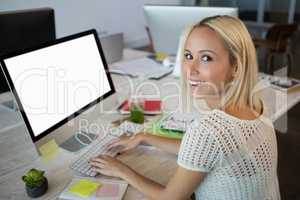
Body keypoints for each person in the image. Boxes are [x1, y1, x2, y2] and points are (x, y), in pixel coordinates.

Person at [90, 15, 280, 200]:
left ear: (236, 67)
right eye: (188, 56)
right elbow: (205, 151)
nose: (190, 69)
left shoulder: (208, 130)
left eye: (206, 58)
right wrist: (144, 136)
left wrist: (121, 170)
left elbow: (170, 197)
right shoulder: (256, 105)